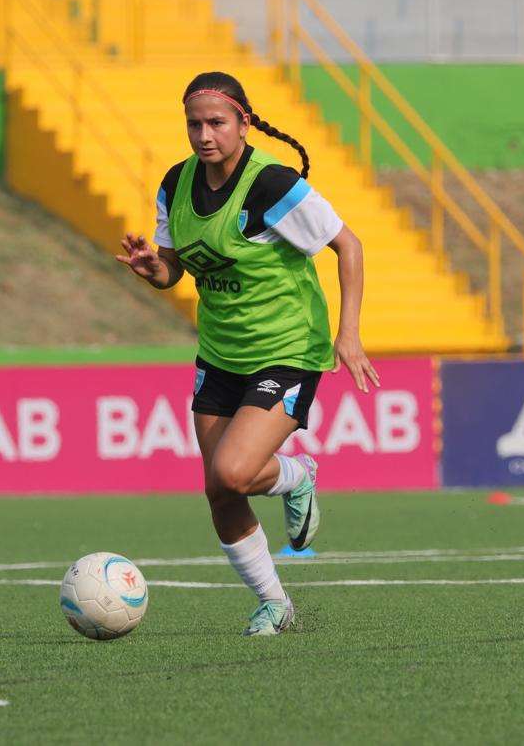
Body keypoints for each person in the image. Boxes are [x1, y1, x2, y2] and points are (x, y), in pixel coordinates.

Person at [115, 70, 379, 636]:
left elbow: (347, 245)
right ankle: (275, 603)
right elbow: (173, 270)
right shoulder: (176, 183)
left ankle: (295, 474)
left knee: (234, 472)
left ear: (244, 122)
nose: (204, 134)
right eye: (194, 123)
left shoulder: (271, 186)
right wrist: (152, 270)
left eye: (216, 122)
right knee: (219, 489)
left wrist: (348, 333)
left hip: (286, 350)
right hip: (220, 354)